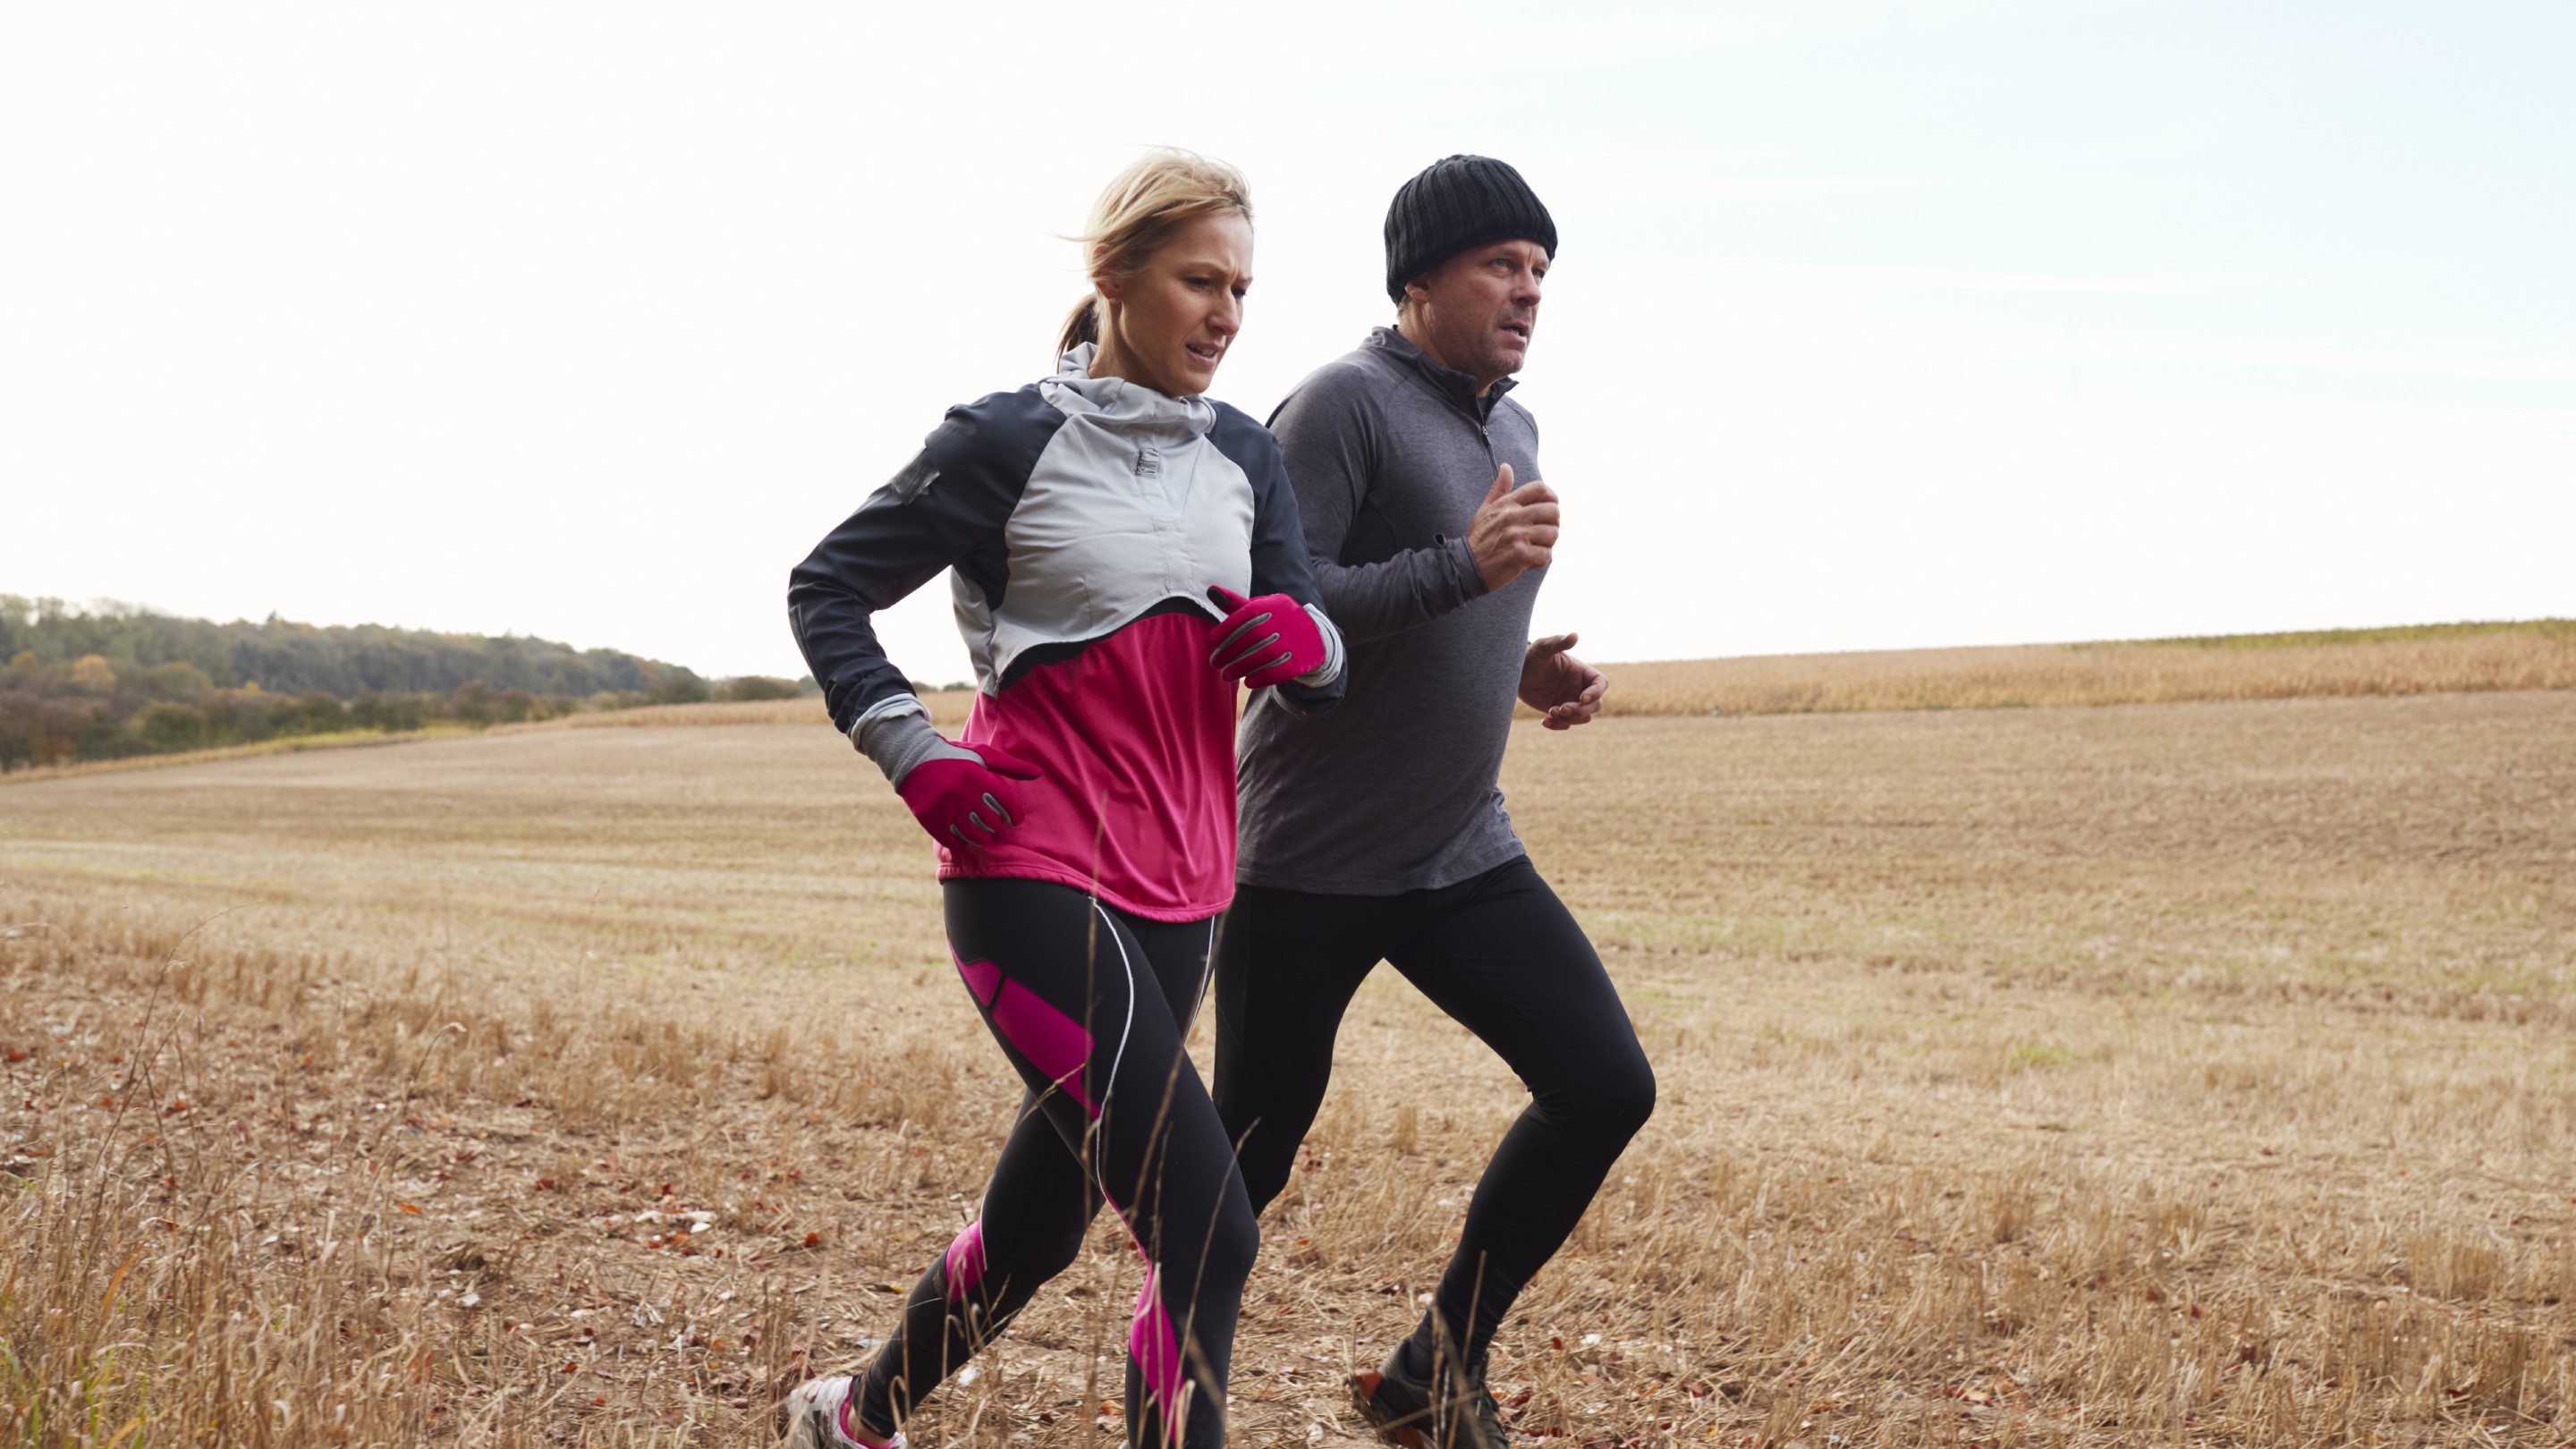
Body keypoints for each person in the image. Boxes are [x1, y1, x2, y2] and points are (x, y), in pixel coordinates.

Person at [780, 150, 1347, 1449]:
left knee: (1040, 1227)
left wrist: (1308, 645)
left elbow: (1318, 637)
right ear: (1113, 279)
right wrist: (909, 746)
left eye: (1243, 290)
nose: (1227, 314)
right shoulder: (1005, 441)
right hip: (1026, 872)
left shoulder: (1248, 455)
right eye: (1201, 279)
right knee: (1205, 1227)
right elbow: (827, 591)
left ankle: (853, 1419)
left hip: (1184, 894)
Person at [1215, 155, 1656, 1449]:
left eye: (1540, 270)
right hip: (1308, 858)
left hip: (1460, 848)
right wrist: (1461, 577)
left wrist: (1518, 671)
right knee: (1247, 1157)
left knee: (1603, 1084)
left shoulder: (1511, 426)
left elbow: (1436, 610)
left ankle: (1432, 1369)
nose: (1528, 291)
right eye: (1500, 265)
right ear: (1417, 280)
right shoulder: (1342, 405)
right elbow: (1275, 609)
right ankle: (1160, 1381)